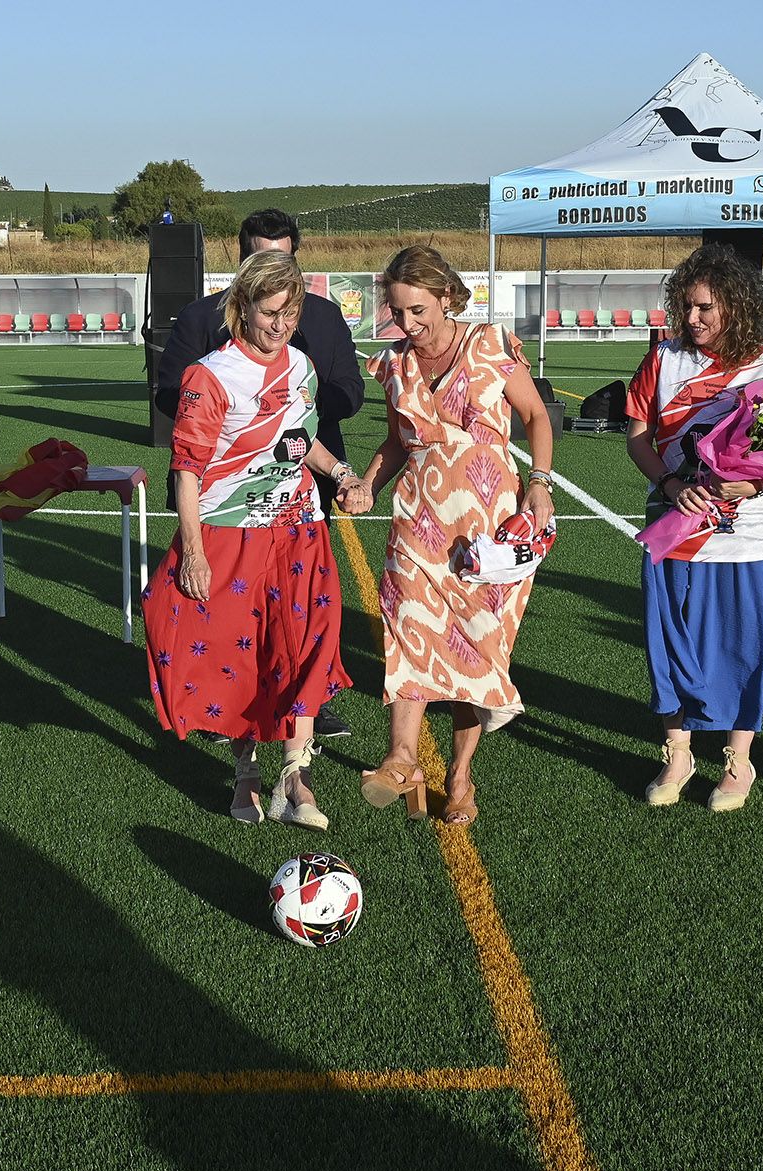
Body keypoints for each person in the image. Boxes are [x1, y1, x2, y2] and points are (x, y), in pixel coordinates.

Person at [145, 249, 366, 828]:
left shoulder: (302, 367)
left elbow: (298, 442)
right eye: (271, 313)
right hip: (228, 534)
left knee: (307, 646)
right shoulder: (209, 376)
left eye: (290, 313)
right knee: (236, 659)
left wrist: (341, 475)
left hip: (298, 531)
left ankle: (296, 777)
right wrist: (192, 552)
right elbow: (187, 468)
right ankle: (246, 776)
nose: (281, 325)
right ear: (242, 307)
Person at [354, 246, 555, 826]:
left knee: (476, 648)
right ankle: (401, 756)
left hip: (488, 530)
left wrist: (539, 483)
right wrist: (368, 482)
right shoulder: (393, 365)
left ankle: (460, 776)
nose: (407, 324)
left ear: (446, 296)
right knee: (407, 628)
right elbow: (399, 439)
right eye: (397, 312)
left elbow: (537, 417)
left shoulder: (489, 345)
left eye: (418, 310)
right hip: (417, 520)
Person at [624, 243, 763, 812]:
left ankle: (739, 759)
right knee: (669, 642)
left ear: (737, 305)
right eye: (684, 307)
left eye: (704, 307)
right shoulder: (663, 359)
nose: (691, 319)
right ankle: (677, 752)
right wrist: (671, 484)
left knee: (745, 647)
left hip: (745, 536)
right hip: (674, 528)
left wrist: (750, 485)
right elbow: (637, 435)